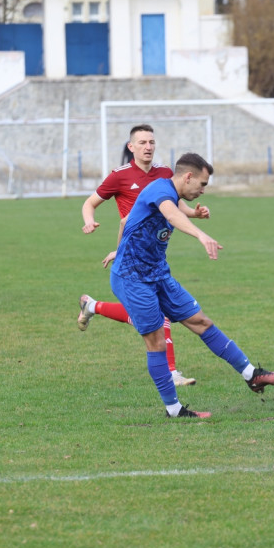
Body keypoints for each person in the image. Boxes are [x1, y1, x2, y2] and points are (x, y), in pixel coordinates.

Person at [111, 152, 274, 418]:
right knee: (157, 341)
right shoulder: (160, 189)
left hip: (158, 274)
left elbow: (167, 209)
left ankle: (252, 375)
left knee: (201, 322)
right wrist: (200, 234)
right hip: (132, 278)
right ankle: (174, 410)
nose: (203, 190)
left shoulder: (170, 191)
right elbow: (170, 214)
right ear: (188, 177)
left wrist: (194, 214)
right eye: (202, 184)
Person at [78, 124, 198, 388]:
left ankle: (93, 306)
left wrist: (193, 213)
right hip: (132, 251)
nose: (148, 147)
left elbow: (175, 204)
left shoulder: (165, 173)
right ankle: (171, 372)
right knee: (158, 314)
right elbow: (90, 203)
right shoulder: (119, 176)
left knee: (147, 314)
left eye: (152, 142)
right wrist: (89, 221)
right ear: (131, 147)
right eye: (142, 142)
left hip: (154, 250)